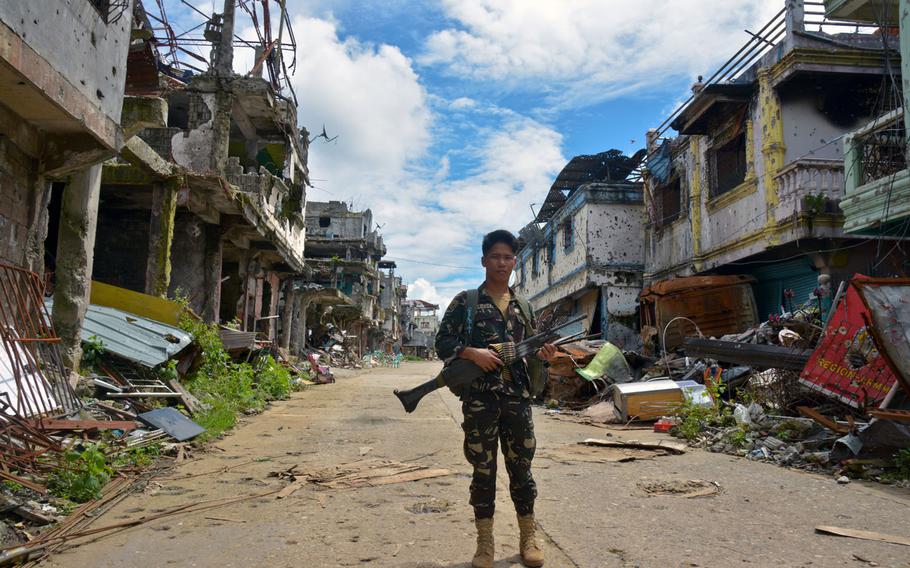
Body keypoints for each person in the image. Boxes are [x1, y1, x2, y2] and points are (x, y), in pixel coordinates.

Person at [435, 229, 556, 568]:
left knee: (522, 471)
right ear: (484, 260)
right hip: (480, 401)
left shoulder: (524, 306)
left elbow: (533, 352)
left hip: (517, 400)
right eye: (495, 257)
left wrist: (543, 356)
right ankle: (484, 543)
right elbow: (442, 344)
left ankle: (528, 537)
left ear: (515, 262)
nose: (502, 263)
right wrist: (472, 353)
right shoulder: (467, 302)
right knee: (483, 472)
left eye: (508, 257)